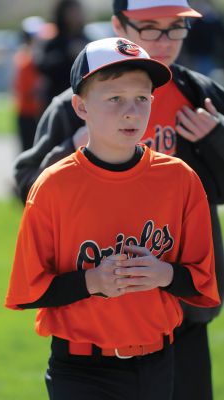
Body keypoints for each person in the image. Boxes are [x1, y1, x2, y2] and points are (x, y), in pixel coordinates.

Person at [13, 2, 224, 398]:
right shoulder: (75, 102)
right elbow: (31, 186)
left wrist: (217, 140)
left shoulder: (200, 95)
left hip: (180, 310)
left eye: (174, 28)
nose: (163, 41)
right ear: (119, 24)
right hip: (90, 330)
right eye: (148, 27)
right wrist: (66, 150)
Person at [33, 0, 89, 110]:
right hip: (56, 99)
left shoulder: (86, 39)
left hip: (83, 100)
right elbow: (41, 65)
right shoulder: (53, 40)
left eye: (78, 10)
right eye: (72, 10)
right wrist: (67, 54)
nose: (76, 14)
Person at [12, 16, 46, 151]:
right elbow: (27, 90)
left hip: (36, 111)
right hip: (28, 112)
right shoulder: (26, 57)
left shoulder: (36, 55)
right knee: (29, 151)